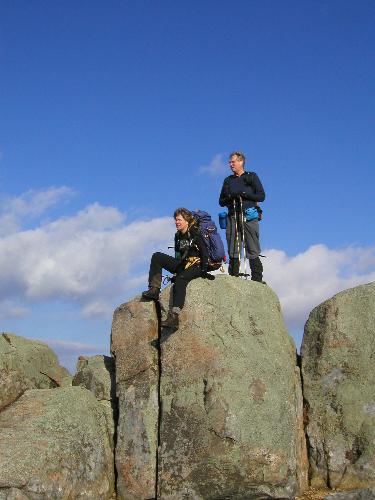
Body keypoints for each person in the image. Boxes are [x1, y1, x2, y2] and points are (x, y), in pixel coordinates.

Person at [142, 208, 209, 329]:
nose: (176, 222)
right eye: (176, 220)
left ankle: (174, 317)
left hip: (197, 265)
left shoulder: (194, 232)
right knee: (157, 256)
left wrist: (204, 270)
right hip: (183, 264)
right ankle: (154, 289)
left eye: (179, 220)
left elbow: (205, 251)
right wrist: (175, 272)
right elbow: (178, 256)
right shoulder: (177, 235)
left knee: (180, 281)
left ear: (187, 221)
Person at [219, 151, 265, 281]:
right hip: (233, 215)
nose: (230, 165)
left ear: (241, 161)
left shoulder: (251, 176)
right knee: (233, 248)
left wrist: (244, 194)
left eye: (233, 162)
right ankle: (233, 278)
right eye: (229, 162)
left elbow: (261, 196)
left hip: (248, 215)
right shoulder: (228, 180)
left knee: (252, 247)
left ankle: (257, 280)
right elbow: (221, 201)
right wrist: (230, 197)